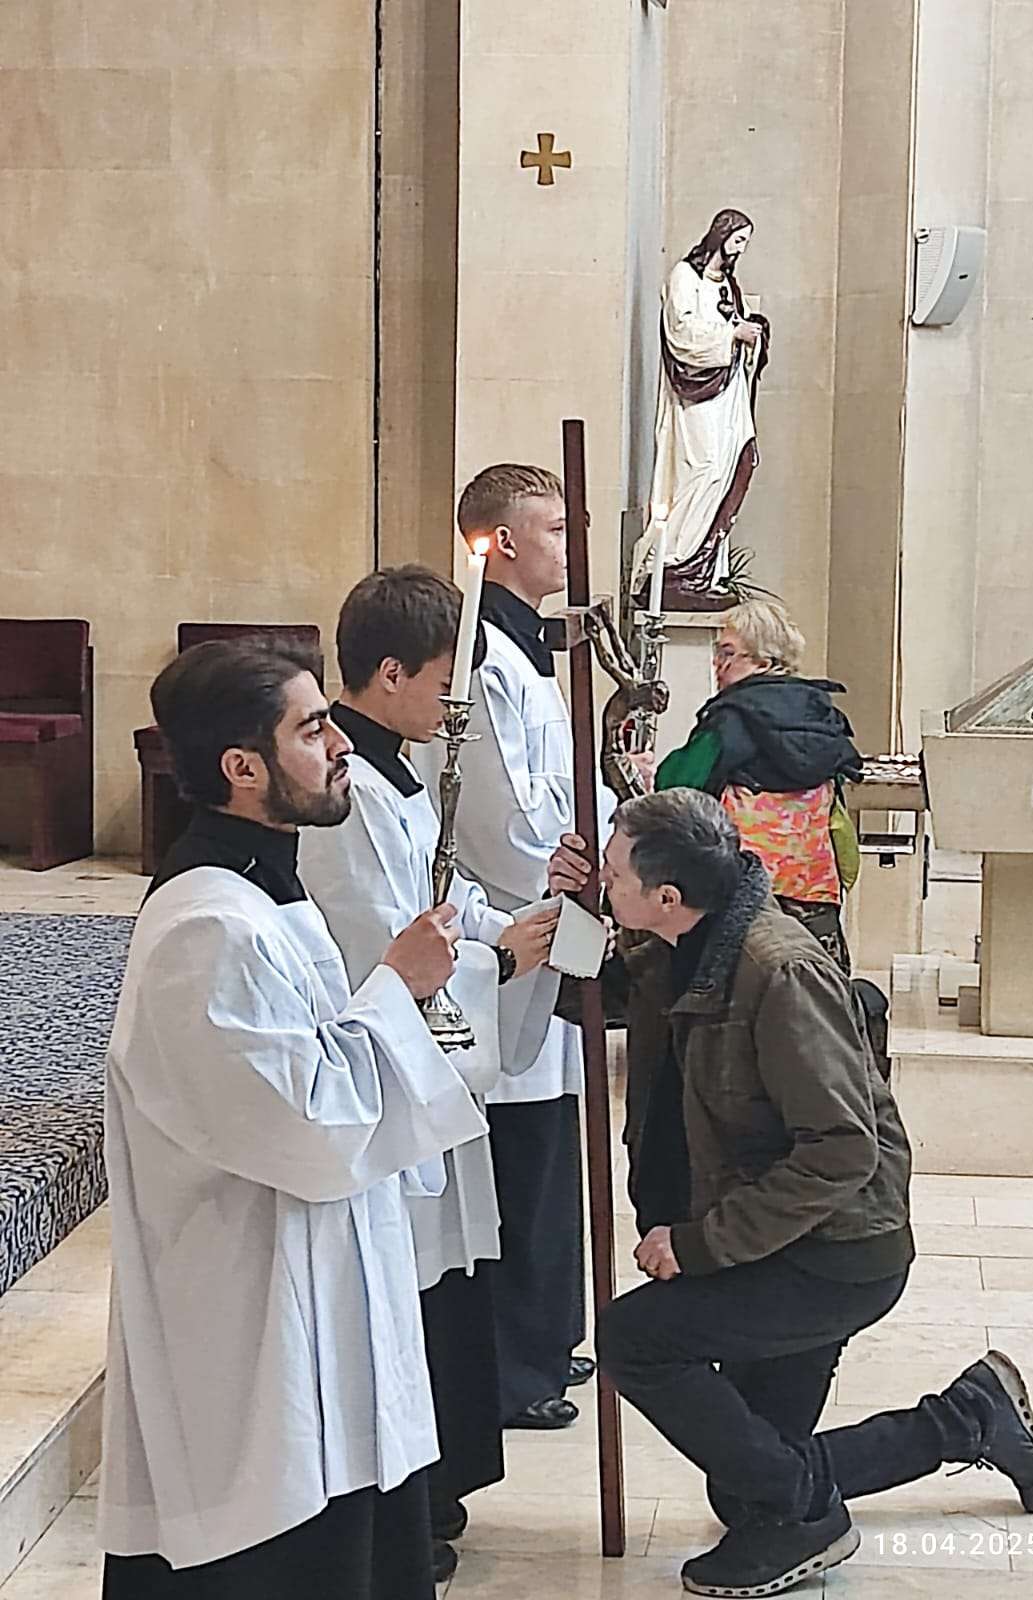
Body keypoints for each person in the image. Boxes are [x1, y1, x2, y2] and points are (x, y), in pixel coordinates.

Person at [550, 791, 1033, 1598]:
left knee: (637, 1340)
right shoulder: (680, 942)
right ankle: (968, 1417)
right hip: (773, 1234)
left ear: (667, 895)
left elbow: (842, 1150)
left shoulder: (778, 971)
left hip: (831, 1253)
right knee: (745, 1489)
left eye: (612, 874)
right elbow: (589, 993)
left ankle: (809, 1517)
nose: (603, 881)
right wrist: (569, 903)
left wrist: (701, 1243)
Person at [99, 638, 486, 1600]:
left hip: (320, 1288)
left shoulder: (265, 889)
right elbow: (307, 1126)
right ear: (242, 767)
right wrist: (396, 988)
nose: (341, 745)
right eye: (313, 731)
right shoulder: (205, 927)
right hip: (251, 1317)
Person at [298, 567, 562, 1581]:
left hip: (430, 1071)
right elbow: (382, 940)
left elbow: (441, 896)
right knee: (405, 1289)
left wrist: (523, 923)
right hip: (387, 1071)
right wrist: (500, 960)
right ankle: (407, 1506)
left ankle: (434, 1492)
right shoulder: (349, 795)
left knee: (443, 1286)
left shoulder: (401, 773)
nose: (455, 704)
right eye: (445, 681)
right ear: (391, 673)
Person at [411, 464, 609, 1429]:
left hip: (550, 912)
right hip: (511, 921)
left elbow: (557, 781)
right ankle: (516, 1364)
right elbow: (494, 816)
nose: (571, 545)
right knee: (517, 1153)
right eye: (557, 529)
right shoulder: (480, 657)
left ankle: (548, 1335)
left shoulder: (528, 650)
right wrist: (565, 872)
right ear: (506, 542)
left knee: (551, 1138)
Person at [649, 597, 862, 974]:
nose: (717, 664)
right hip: (814, 891)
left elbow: (677, 786)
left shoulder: (731, 719)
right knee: (814, 985)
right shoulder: (821, 715)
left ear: (764, 661)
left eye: (728, 654)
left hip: (745, 893)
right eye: (718, 653)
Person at [632, 207, 771, 607]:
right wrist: (732, 333)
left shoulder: (728, 285)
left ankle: (703, 568)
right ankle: (672, 560)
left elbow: (735, 326)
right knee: (703, 468)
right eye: (738, 240)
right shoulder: (684, 277)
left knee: (730, 467)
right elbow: (682, 333)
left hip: (729, 396)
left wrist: (752, 332)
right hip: (697, 395)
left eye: (745, 243)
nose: (740, 249)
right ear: (719, 235)